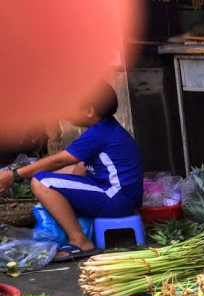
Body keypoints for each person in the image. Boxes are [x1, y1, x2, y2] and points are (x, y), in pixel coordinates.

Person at [0, 81, 143, 261]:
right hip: (120, 196)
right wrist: (69, 193)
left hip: (116, 199)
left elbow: (59, 160)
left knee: (41, 181)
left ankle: (80, 240)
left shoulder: (99, 133)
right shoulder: (105, 128)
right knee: (63, 173)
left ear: (89, 111)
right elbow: (80, 166)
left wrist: (15, 175)